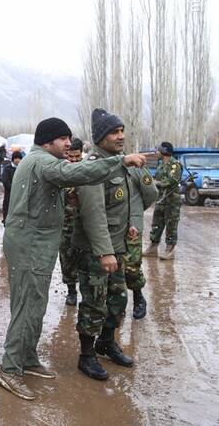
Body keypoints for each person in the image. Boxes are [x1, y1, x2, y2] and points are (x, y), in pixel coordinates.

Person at [0, 117, 147, 401]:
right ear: (47, 141)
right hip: (29, 245)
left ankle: (27, 358)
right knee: (27, 307)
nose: (68, 143)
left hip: (37, 244)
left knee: (36, 305)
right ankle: (9, 368)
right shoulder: (42, 162)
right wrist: (121, 161)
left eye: (69, 138)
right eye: (63, 139)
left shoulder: (40, 162)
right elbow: (78, 173)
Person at [71, 108, 149, 380]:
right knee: (94, 302)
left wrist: (129, 223)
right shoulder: (94, 165)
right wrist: (104, 252)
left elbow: (127, 201)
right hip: (97, 250)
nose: (121, 136)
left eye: (121, 131)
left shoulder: (119, 162)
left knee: (118, 299)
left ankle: (106, 343)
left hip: (117, 246)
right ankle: (86, 355)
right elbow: (93, 214)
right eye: (115, 132)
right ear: (101, 136)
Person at [125, 161, 158, 319]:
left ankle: (138, 297)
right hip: (108, 224)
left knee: (131, 265)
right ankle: (116, 302)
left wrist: (137, 208)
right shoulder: (100, 164)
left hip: (132, 225)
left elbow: (151, 192)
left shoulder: (134, 167)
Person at [145, 141, 183, 260]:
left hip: (172, 201)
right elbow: (156, 178)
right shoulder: (161, 165)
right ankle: (153, 247)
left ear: (164, 151)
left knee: (171, 224)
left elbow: (171, 180)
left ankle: (170, 250)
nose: (156, 152)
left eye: (158, 150)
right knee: (156, 223)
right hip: (161, 199)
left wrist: (157, 183)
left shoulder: (174, 165)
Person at [58, 138, 84, 306]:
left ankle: (87, 292)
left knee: (88, 260)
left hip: (85, 225)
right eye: (71, 156)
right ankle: (71, 291)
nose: (74, 160)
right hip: (66, 225)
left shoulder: (88, 171)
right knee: (67, 259)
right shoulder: (60, 171)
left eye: (77, 156)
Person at [1, 151, 22, 223]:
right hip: (9, 193)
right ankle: (6, 221)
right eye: (16, 158)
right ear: (13, 159)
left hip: (20, 194)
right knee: (7, 208)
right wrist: (14, 189)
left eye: (19, 158)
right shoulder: (8, 168)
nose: (17, 160)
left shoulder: (22, 168)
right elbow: (5, 181)